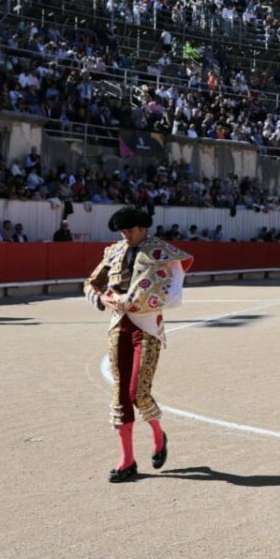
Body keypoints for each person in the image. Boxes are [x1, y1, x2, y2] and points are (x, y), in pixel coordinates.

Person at [83, 206, 193, 483]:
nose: (126, 236)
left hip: (146, 328)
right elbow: (90, 283)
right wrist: (102, 299)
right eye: (122, 231)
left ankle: (158, 435)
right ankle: (127, 461)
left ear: (143, 227)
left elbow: (169, 292)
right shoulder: (115, 251)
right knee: (120, 395)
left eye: (130, 230)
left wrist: (132, 302)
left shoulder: (161, 252)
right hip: (119, 325)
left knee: (138, 393)